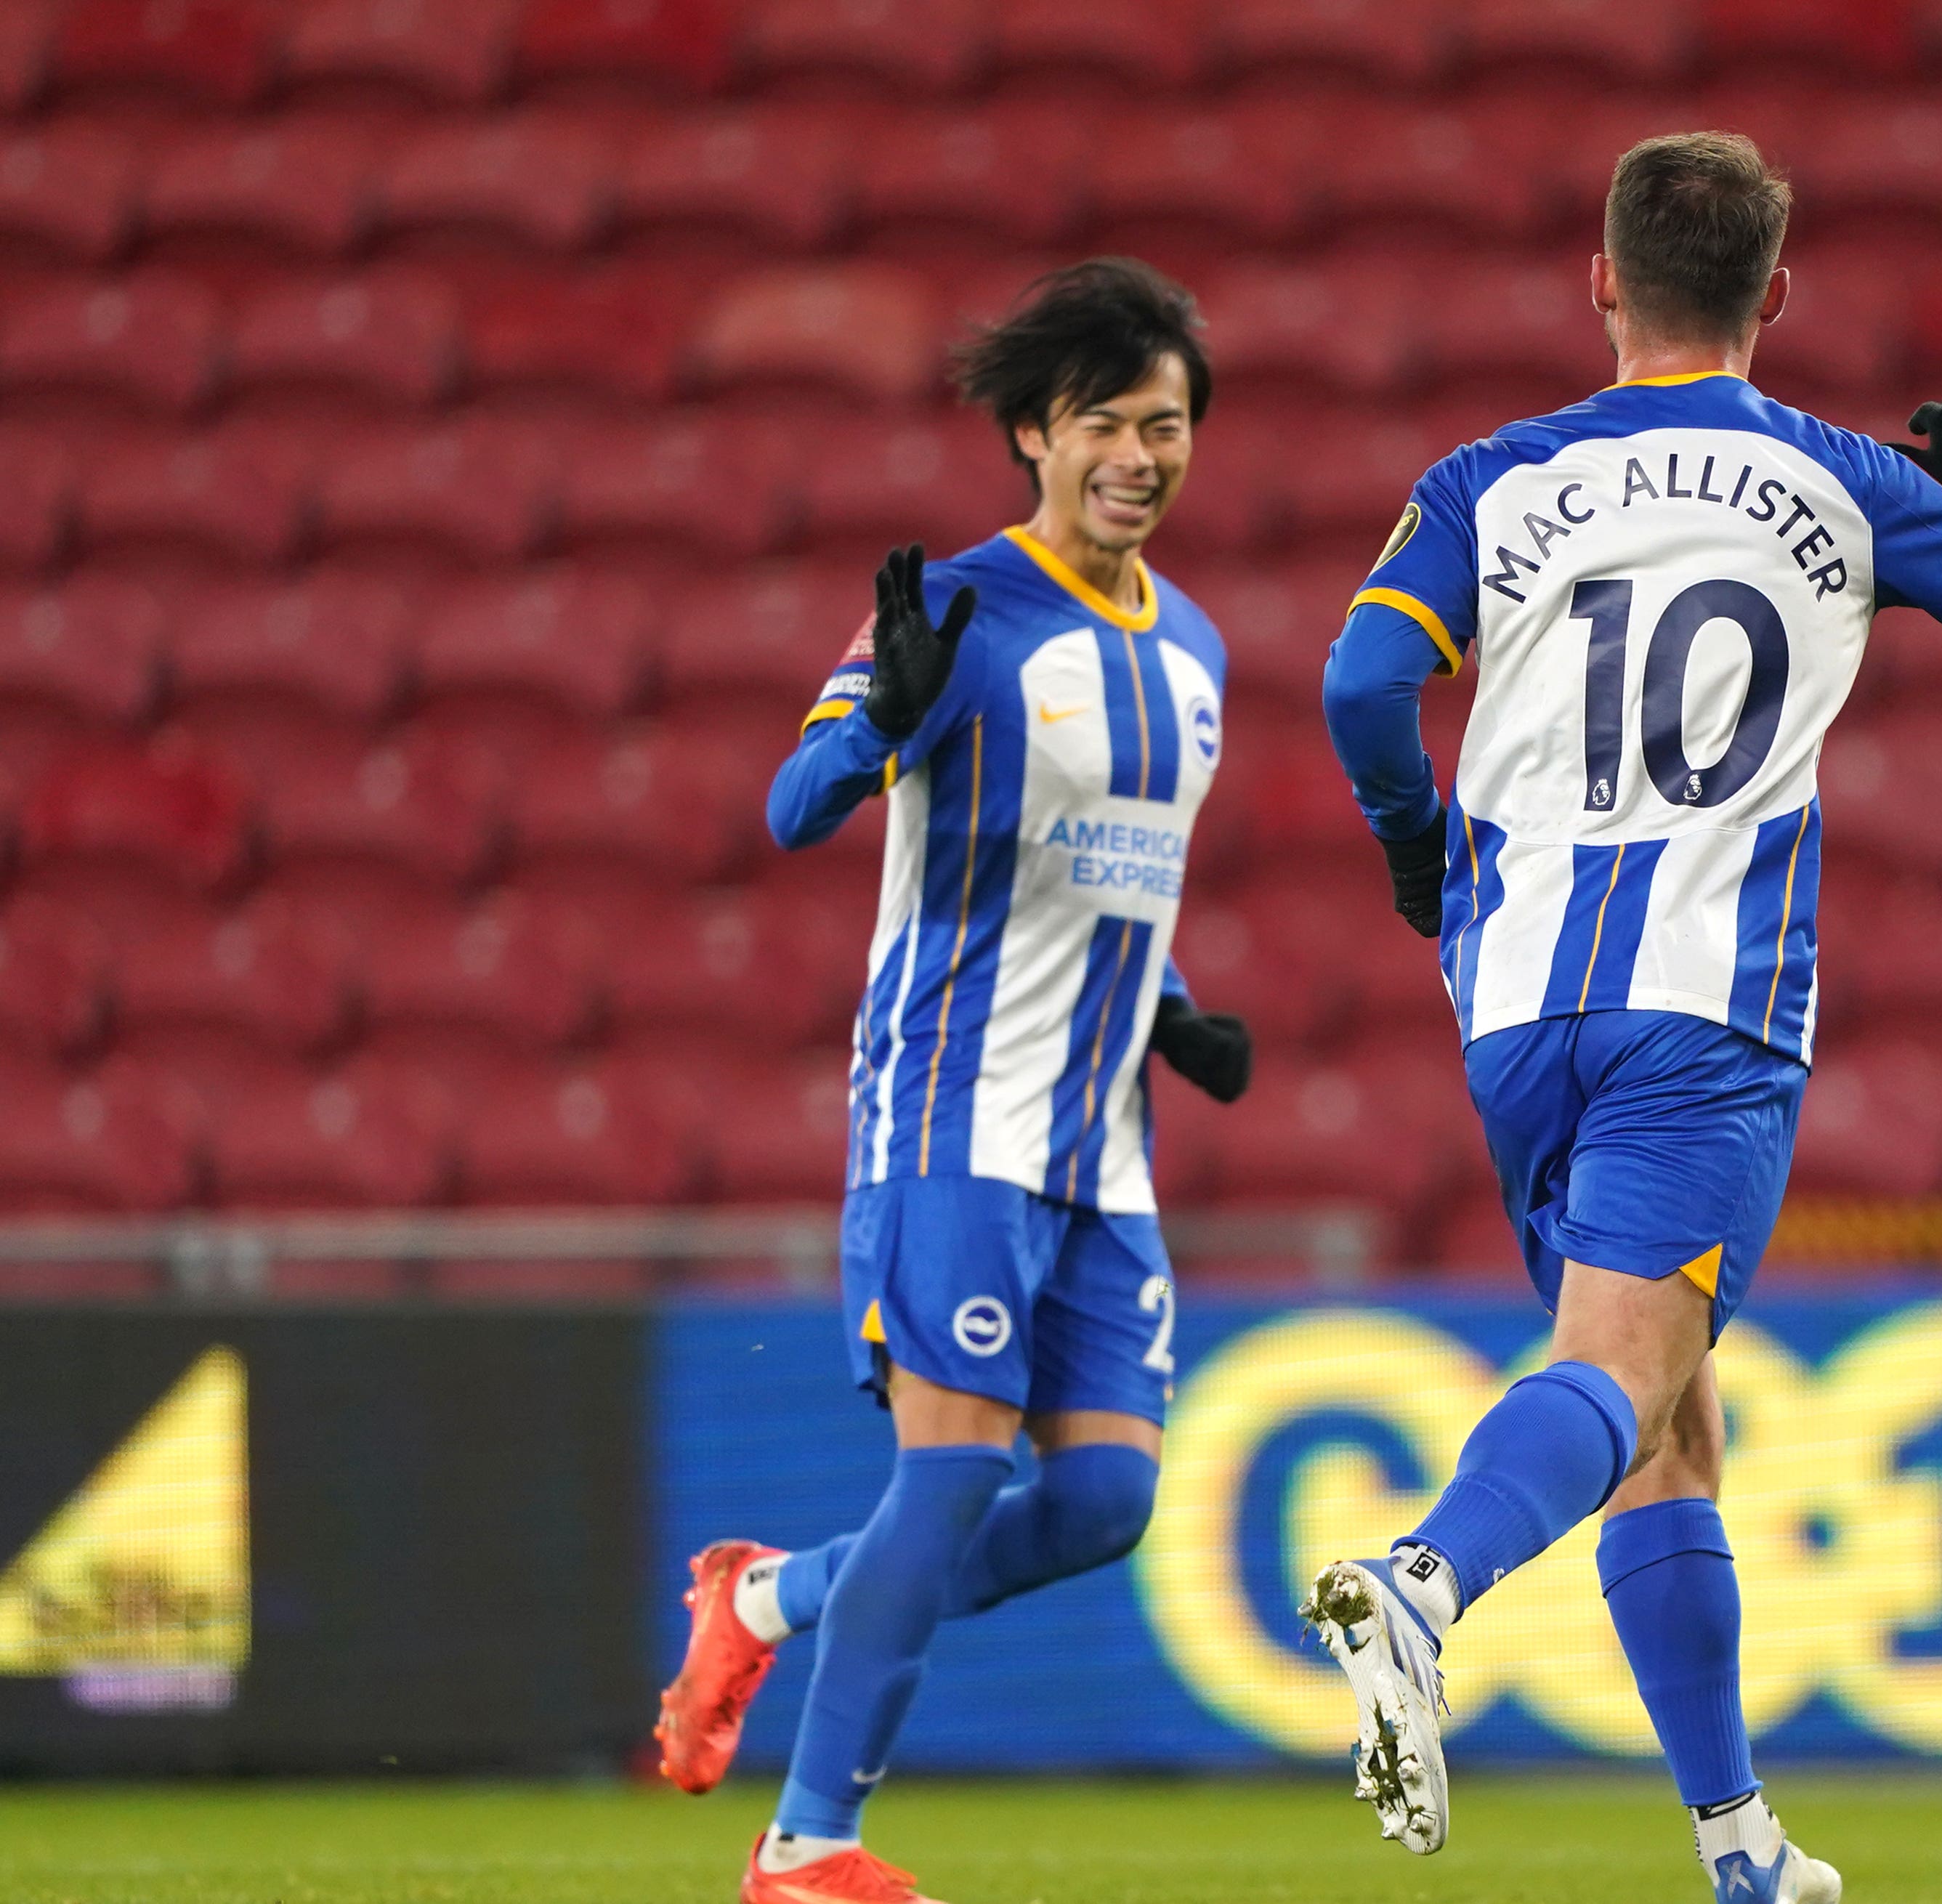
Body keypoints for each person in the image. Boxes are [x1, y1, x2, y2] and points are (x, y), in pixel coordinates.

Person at [1309, 134, 1942, 1903]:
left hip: (1515, 1009)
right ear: (1776, 297)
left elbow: (1365, 680)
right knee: (1625, 1372)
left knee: (1669, 1415)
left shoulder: (1489, 479)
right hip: (1706, 1008)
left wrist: (1413, 843)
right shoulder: (1835, 482)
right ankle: (1421, 1591)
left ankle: (1739, 1847)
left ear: (1599, 282)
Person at [652, 258, 1253, 1904]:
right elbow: (789, 809)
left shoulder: (1195, 647)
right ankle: (806, 1848)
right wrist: (873, 728)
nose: (1142, 455)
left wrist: (1176, 1007)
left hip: (1101, 1140)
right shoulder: (956, 613)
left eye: (1169, 424)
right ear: (1032, 435)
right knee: (958, 1469)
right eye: (1109, 426)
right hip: (951, 1113)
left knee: (1108, 1501)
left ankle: (765, 1603)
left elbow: (1094, 871)